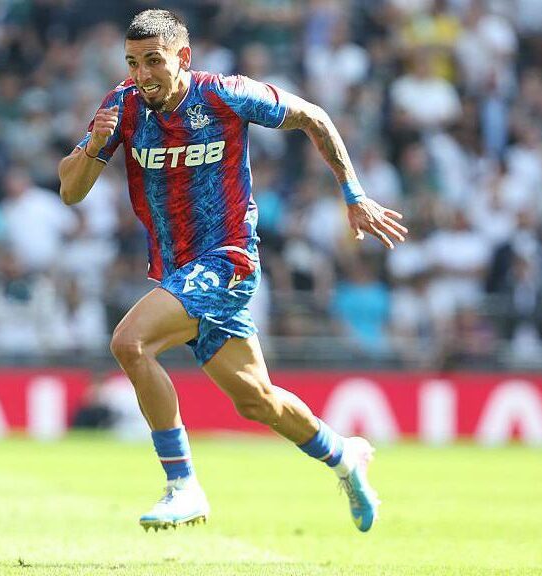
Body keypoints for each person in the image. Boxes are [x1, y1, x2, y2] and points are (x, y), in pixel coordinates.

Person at [58, 9, 407, 533]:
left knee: (130, 343)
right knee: (256, 400)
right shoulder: (122, 106)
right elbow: (71, 190)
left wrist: (353, 194)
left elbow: (313, 116)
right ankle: (344, 456)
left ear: (183, 57)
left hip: (229, 258)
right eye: (132, 63)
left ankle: (182, 485)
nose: (142, 74)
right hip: (179, 271)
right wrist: (91, 146)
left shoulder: (224, 94)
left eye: (153, 61)